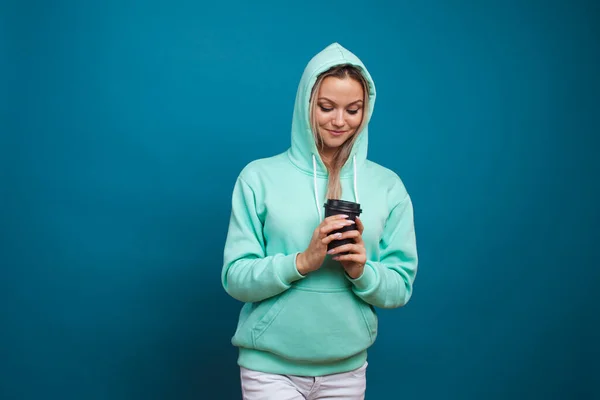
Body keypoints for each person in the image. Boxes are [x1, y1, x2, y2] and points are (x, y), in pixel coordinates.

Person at [221, 42, 418, 400]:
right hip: (269, 367)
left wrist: (362, 270)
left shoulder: (387, 186)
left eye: (353, 110)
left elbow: (401, 286)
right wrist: (302, 262)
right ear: (306, 105)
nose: (340, 121)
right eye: (326, 107)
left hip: (346, 368)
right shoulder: (258, 178)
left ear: (366, 111)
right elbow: (235, 278)